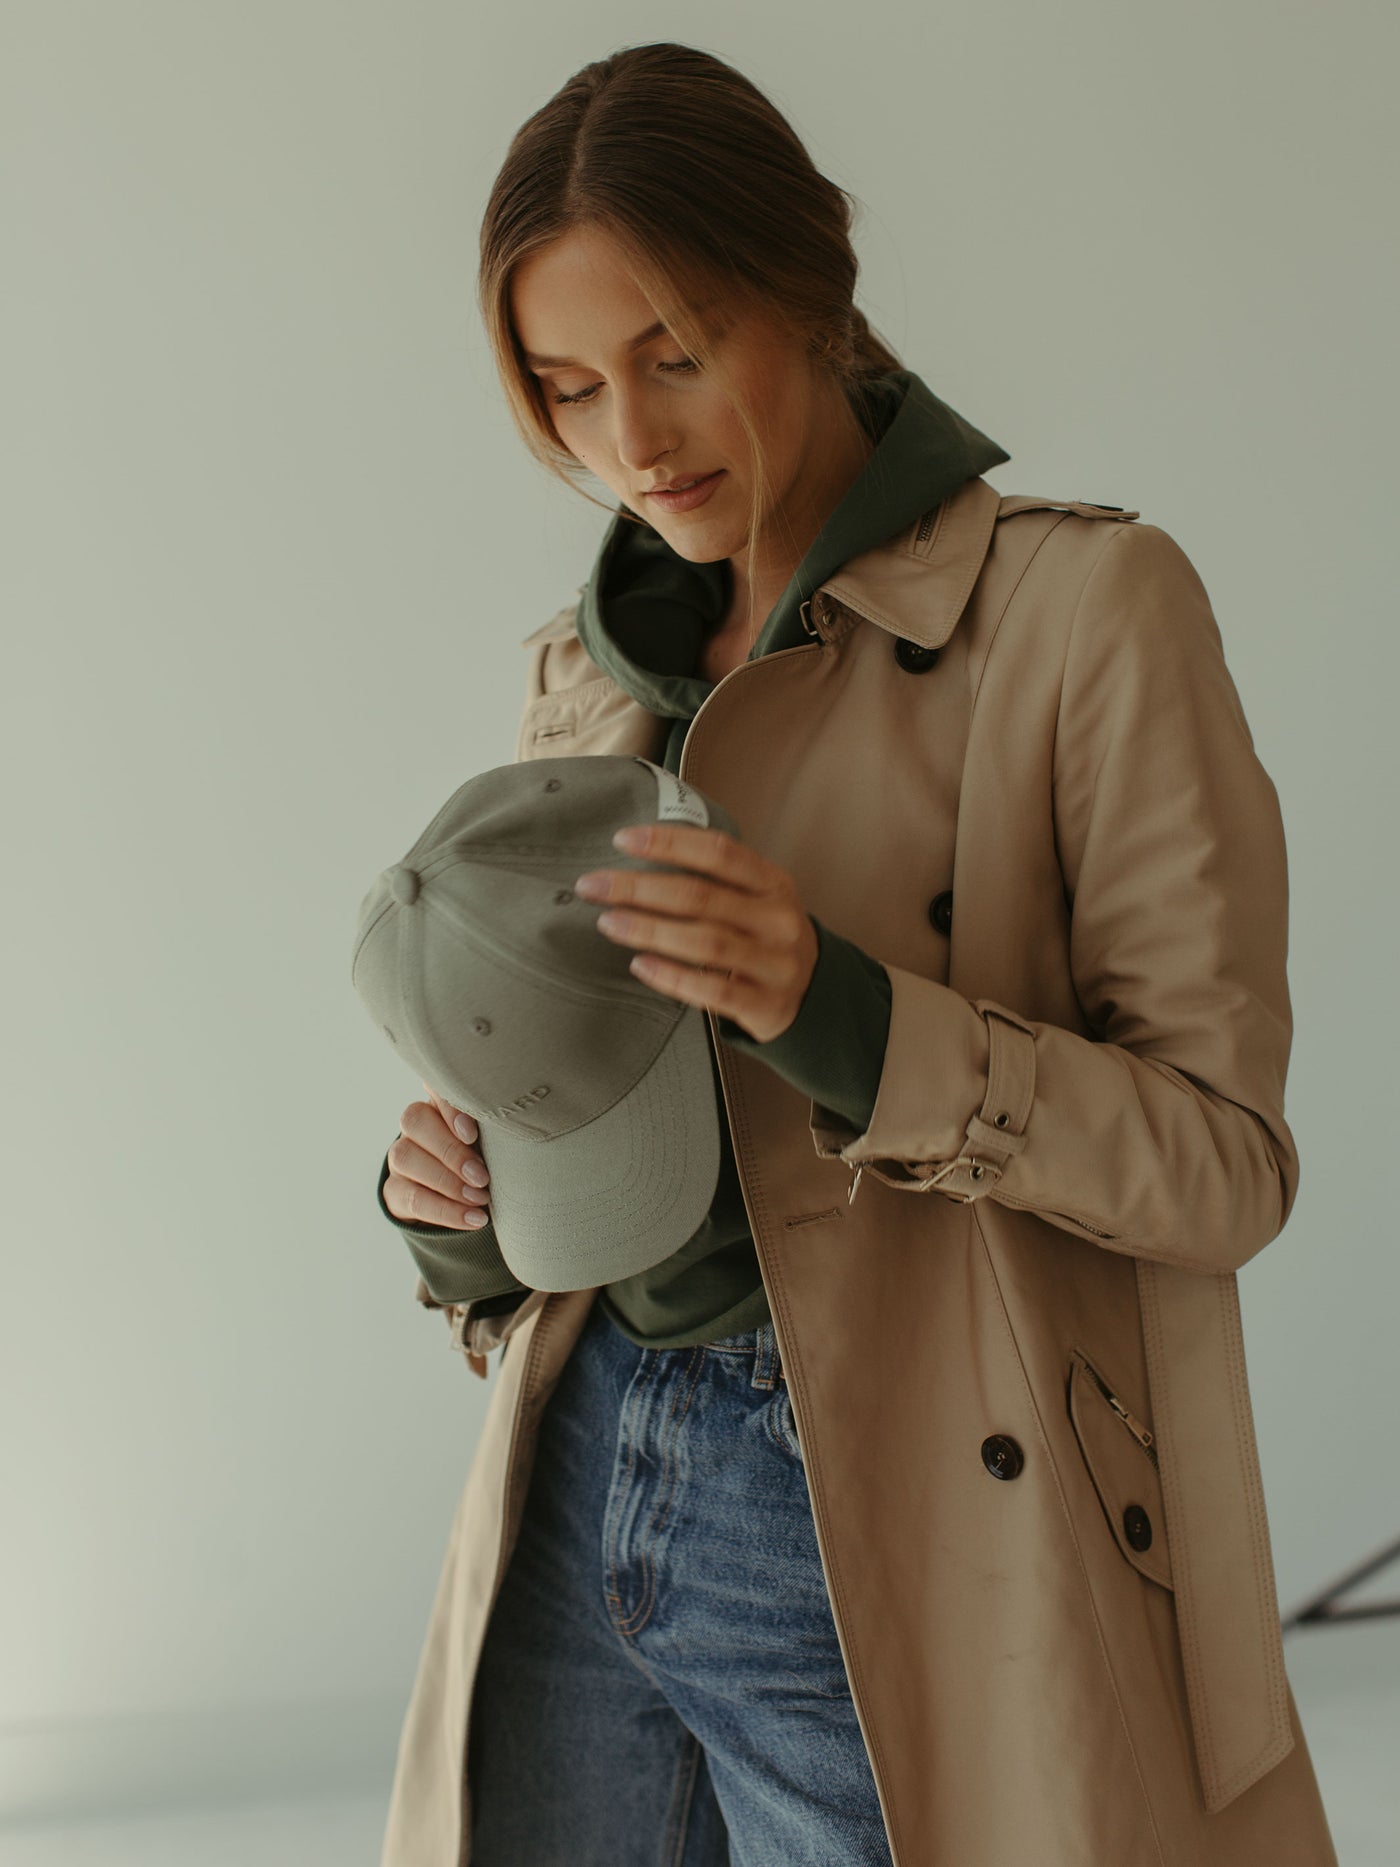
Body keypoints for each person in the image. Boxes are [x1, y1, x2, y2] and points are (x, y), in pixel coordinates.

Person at [369, 40, 1337, 1867]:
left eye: (677, 349)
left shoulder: (1085, 616)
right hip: (581, 1474)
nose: (631, 444)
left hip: (891, 1506)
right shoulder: (580, 672)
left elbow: (1225, 1166)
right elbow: (590, 1178)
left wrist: (838, 1010)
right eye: (568, 389)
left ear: (813, 286)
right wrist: (466, 1207)